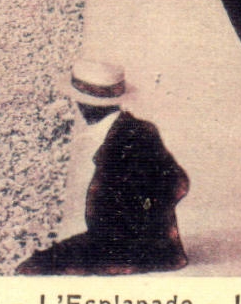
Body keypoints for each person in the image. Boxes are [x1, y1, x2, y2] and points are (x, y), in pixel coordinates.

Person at [15, 61, 189, 275]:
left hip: (127, 250)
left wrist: (139, 221)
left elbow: (111, 222)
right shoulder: (141, 129)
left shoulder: (120, 144)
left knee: (32, 267)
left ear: (84, 104)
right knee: (46, 259)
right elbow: (178, 182)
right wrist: (153, 215)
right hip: (152, 246)